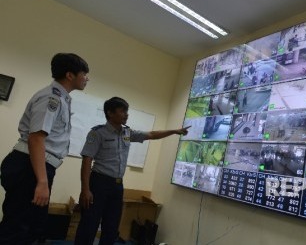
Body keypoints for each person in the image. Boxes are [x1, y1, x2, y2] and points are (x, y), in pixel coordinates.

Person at [74, 97, 190, 245]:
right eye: (123, 111)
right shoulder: (97, 133)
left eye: (127, 111)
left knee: (111, 227)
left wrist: (175, 131)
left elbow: (152, 134)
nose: (126, 114)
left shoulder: (127, 133)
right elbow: (86, 161)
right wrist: (85, 189)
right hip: (98, 183)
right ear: (110, 113)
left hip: (117, 186)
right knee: (89, 225)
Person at [0, 53, 90, 243]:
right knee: (18, 226)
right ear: (70, 75)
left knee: (33, 226)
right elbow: (36, 139)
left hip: (36, 166)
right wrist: (41, 181)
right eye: (84, 73)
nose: (87, 78)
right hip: (30, 166)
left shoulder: (63, 98)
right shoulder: (52, 98)